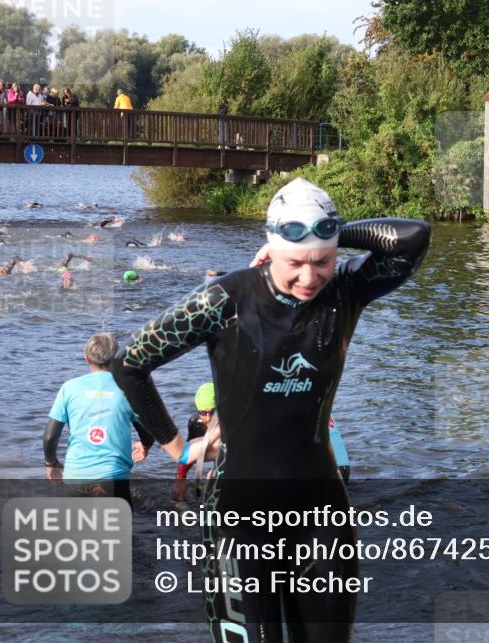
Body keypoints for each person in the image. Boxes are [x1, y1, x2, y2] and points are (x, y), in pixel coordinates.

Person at [111, 177, 430, 641]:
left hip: (321, 516)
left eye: (322, 261)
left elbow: (413, 237)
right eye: (295, 262)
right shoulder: (226, 298)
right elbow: (131, 363)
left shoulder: (346, 292)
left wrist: (335, 235)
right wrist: (175, 445)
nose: (309, 277)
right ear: (270, 247)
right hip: (238, 518)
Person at [43, 333, 153, 505]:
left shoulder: (69, 388)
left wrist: (51, 464)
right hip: (113, 478)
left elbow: (50, 436)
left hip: (75, 477)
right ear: (117, 358)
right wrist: (145, 445)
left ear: (87, 359)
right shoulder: (128, 389)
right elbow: (148, 430)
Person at [171, 382, 219, 503]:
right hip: (217, 450)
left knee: (213, 477)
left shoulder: (229, 419)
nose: (208, 418)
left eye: (212, 412)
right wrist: (180, 478)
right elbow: (189, 452)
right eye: (203, 413)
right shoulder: (195, 423)